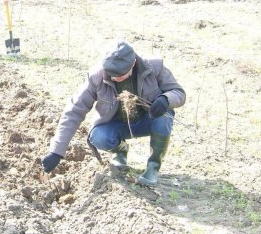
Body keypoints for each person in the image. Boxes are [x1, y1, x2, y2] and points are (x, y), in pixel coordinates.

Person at [41, 41, 186, 187]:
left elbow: (179, 92)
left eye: (120, 75)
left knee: (164, 117)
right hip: (116, 125)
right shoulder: (96, 77)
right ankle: (120, 151)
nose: (114, 78)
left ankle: (153, 167)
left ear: (133, 63)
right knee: (98, 137)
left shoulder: (154, 67)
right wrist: (56, 152)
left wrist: (166, 99)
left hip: (147, 120)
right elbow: (73, 111)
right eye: (111, 74)